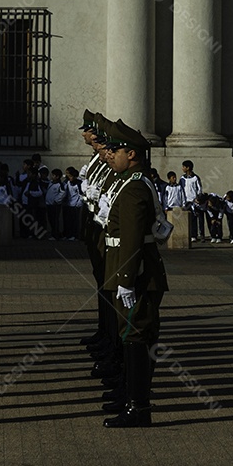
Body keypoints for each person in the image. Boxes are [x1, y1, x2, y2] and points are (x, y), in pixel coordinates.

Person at [101, 121, 168, 428]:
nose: (110, 155)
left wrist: (126, 281)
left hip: (136, 275)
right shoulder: (132, 182)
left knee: (135, 335)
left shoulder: (134, 187)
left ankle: (137, 407)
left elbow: (131, 239)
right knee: (135, 335)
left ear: (131, 154)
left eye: (115, 150)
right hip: (135, 272)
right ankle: (133, 399)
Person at [180, 161, 204, 242]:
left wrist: (197, 198)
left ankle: (196, 235)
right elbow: (181, 189)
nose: (182, 168)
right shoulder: (182, 178)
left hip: (194, 202)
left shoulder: (195, 178)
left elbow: (199, 189)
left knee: (196, 219)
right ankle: (189, 234)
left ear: (188, 168)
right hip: (186, 202)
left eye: (183, 167)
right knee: (187, 219)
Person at [45, 168, 67, 240]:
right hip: (49, 204)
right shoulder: (51, 183)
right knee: (50, 220)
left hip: (55, 205)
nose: (52, 176)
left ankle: (55, 235)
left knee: (55, 220)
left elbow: (63, 193)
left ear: (57, 177)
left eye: (53, 175)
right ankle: (54, 233)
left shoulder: (60, 184)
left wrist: (56, 200)